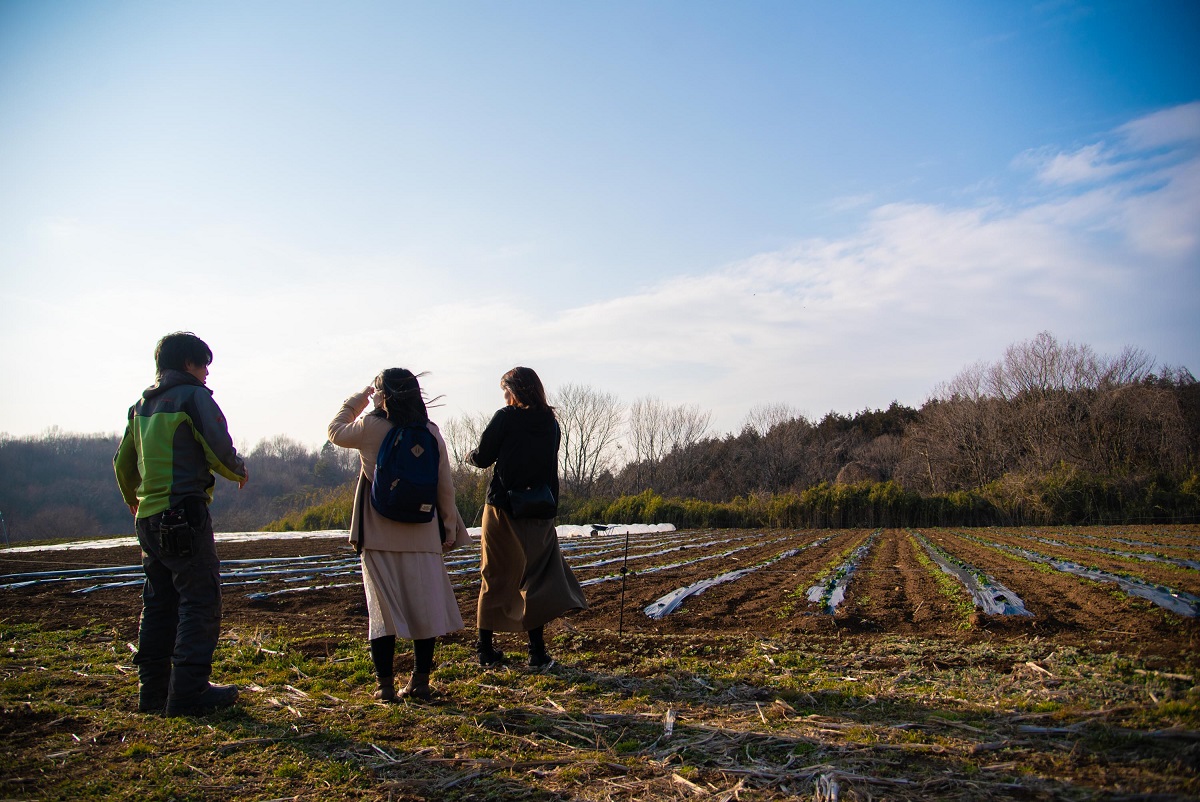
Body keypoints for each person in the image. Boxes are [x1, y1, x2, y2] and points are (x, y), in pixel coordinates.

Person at [114, 331, 249, 716]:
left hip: (148, 519)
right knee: (199, 599)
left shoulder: (140, 406)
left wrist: (133, 499)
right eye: (203, 363)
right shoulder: (193, 397)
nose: (207, 372)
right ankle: (189, 693)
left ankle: (152, 693)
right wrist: (237, 470)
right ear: (188, 363)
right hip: (184, 515)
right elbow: (217, 445)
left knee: (159, 603)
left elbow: (122, 463)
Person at [328, 369, 471, 702]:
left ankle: (385, 686)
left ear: (384, 395)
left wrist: (359, 401)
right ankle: (420, 682)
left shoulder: (370, 427)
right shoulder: (430, 432)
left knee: (382, 614)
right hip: (423, 534)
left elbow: (334, 431)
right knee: (425, 611)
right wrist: (449, 527)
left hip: (379, 535)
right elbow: (444, 487)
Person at [467, 366, 587, 669]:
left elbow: (483, 457)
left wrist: (470, 456)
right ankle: (536, 651)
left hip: (503, 508)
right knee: (535, 577)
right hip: (539, 510)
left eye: (505, 391)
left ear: (514, 391)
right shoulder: (551, 423)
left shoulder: (505, 417)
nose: (504, 397)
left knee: (494, 574)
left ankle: (485, 649)